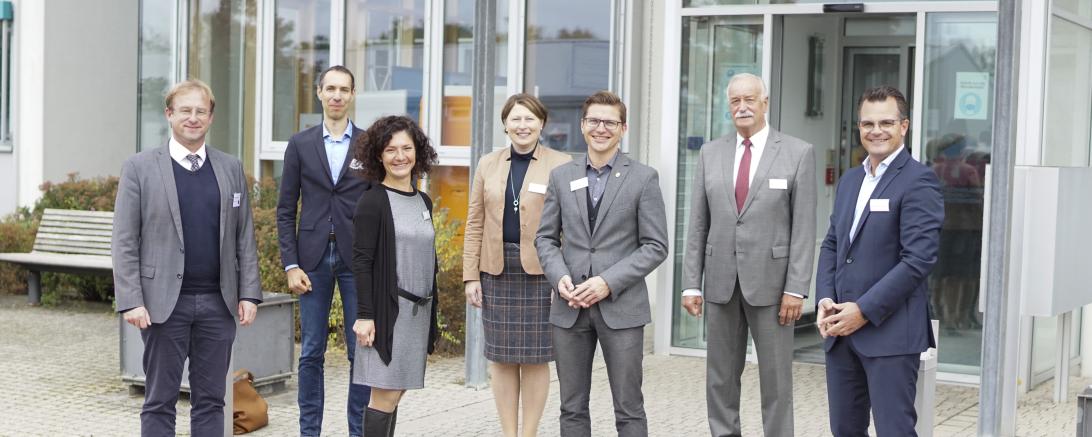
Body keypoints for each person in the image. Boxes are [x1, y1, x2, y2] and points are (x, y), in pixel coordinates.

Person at [112, 79, 261, 436]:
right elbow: (124, 240)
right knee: (160, 400)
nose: (193, 118)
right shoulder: (140, 167)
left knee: (212, 401)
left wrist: (249, 293)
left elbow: (244, 235)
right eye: (185, 110)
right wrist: (131, 300)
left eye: (200, 111)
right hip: (163, 305)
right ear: (169, 115)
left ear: (210, 117)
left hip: (218, 303)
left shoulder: (230, 167)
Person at [680, 73, 817, 437]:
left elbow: (804, 229)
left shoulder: (797, 152)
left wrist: (797, 288)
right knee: (720, 378)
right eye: (735, 100)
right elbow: (697, 223)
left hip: (773, 289)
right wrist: (691, 284)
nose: (742, 107)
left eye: (750, 99)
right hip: (721, 282)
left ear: (765, 103)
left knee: (776, 380)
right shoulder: (711, 152)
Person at [535, 90, 668, 437]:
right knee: (571, 407)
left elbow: (656, 245)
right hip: (569, 306)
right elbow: (545, 239)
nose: (601, 128)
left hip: (621, 308)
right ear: (582, 126)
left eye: (609, 122)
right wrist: (559, 276)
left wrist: (607, 281)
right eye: (594, 121)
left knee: (628, 408)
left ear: (623, 128)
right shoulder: (562, 176)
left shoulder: (644, 177)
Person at [816, 85, 943, 436]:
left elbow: (918, 260)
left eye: (886, 122)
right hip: (841, 334)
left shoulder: (919, 181)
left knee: (894, 431)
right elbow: (832, 244)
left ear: (904, 126)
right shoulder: (850, 180)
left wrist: (863, 310)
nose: (876, 131)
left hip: (890, 335)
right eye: (867, 123)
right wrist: (825, 299)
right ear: (858, 127)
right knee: (844, 430)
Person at [463, 93, 571, 437]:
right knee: (502, 357)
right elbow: (474, 222)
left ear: (541, 123)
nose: (522, 126)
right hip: (496, 269)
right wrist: (470, 276)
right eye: (515, 119)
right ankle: (509, 433)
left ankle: (529, 433)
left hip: (543, 271)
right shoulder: (487, 164)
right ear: (505, 125)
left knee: (537, 358)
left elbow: (572, 227)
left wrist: (562, 277)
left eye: (529, 119)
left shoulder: (562, 163)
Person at [276, 65, 372, 437]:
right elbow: (285, 209)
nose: (336, 95)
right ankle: (309, 432)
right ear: (318, 92)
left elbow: (377, 205)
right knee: (312, 352)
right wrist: (290, 264)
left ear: (352, 95)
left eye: (343, 89)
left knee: (359, 350)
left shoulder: (368, 144)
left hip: (356, 260)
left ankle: (358, 431)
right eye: (330, 88)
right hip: (311, 260)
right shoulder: (300, 144)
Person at [350, 115, 440, 436]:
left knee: (396, 393)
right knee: (384, 395)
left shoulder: (423, 201)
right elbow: (361, 262)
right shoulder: (372, 202)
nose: (400, 156)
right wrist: (365, 316)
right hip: (389, 314)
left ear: (418, 152)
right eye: (390, 150)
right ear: (379, 156)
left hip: (417, 315)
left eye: (406, 148)